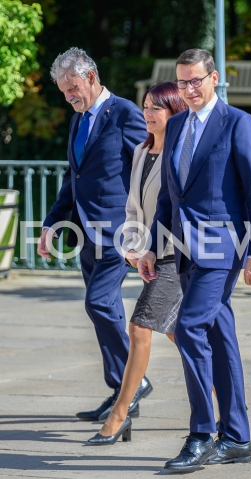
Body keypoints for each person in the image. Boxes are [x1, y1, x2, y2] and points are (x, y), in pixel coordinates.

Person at [137, 49, 251, 472]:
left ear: (213, 79)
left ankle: (201, 433)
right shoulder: (176, 124)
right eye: (182, 83)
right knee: (219, 336)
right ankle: (237, 438)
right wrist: (151, 246)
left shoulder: (238, 123)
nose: (189, 89)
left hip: (223, 248)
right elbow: (168, 194)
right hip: (180, 248)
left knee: (189, 325)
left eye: (196, 80)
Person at [37, 47, 152, 422]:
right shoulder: (78, 120)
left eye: (72, 88)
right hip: (85, 232)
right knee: (108, 310)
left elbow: (149, 168)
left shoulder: (124, 114)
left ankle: (133, 385)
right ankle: (122, 390)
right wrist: (52, 222)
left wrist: (147, 225)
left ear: (89, 76)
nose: (69, 96)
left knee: (99, 303)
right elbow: (75, 178)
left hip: (119, 231)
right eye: (63, 91)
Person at [87, 82, 188, 445]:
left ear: (175, 113)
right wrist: (133, 248)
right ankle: (217, 403)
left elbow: (178, 212)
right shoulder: (142, 151)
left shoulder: (181, 154)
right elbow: (133, 207)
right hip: (148, 255)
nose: (147, 113)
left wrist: (152, 249)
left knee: (139, 328)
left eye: (155, 108)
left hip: (176, 256)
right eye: (145, 107)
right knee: (183, 335)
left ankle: (119, 414)